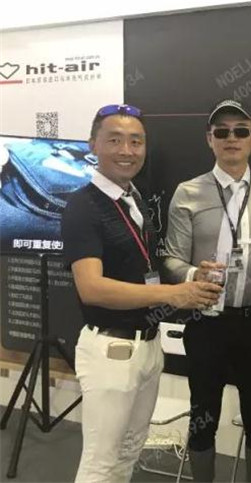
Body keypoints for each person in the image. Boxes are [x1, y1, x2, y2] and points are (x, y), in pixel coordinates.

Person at [61, 104, 221, 482]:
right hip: (110, 350)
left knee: (129, 452)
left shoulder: (133, 199)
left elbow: (145, 266)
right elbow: (91, 288)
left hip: (148, 347)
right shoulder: (83, 206)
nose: (127, 150)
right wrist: (171, 295)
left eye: (136, 141)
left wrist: (193, 275)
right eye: (114, 140)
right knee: (101, 463)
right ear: (93, 144)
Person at [163, 99, 251, 482]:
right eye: (222, 131)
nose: (231, 138)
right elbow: (171, 258)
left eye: (240, 131)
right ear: (209, 139)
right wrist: (193, 274)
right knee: (204, 414)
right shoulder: (187, 192)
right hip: (207, 321)